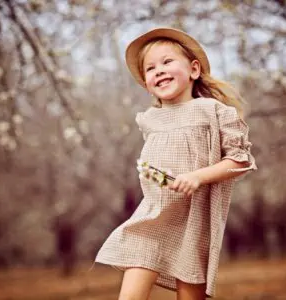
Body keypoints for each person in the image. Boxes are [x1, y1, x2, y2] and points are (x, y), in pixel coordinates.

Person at [94, 27, 257, 299]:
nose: (158, 70)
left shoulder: (213, 112)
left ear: (193, 70)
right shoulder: (149, 120)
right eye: (150, 68)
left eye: (167, 62)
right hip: (152, 217)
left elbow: (240, 161)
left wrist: (199, 176)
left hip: (194, 222)